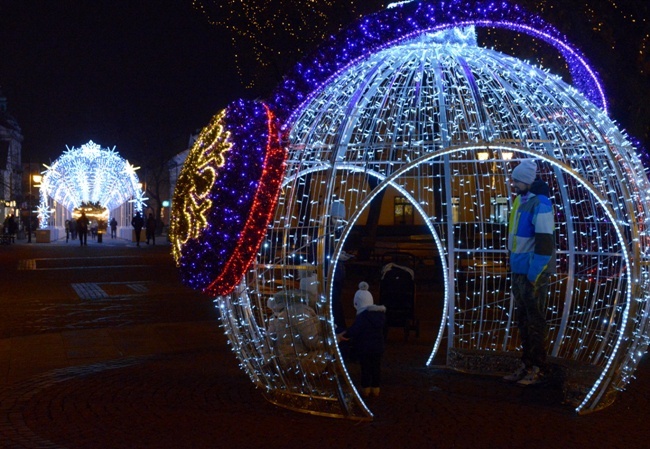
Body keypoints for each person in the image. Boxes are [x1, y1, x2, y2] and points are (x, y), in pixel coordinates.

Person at [503, 159, 556, 386]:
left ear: (525, 181)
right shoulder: (521, 200)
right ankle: (527, 363)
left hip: (531, 272)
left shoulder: (540, 204)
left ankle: (538, 366)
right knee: (524, 319)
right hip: (520, 269)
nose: (513, 183)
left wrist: (535, 272)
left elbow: (545, 243)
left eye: (516, 179)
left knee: (535, 320)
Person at [338, 282, 386, 397]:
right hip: (378, 347)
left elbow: (355, 330)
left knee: (365, 367)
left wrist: (345, 335)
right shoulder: (380, 316)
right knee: (376, 367)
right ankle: (376, 387)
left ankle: (366, 387)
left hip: (365, 347)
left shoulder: (362, 317)